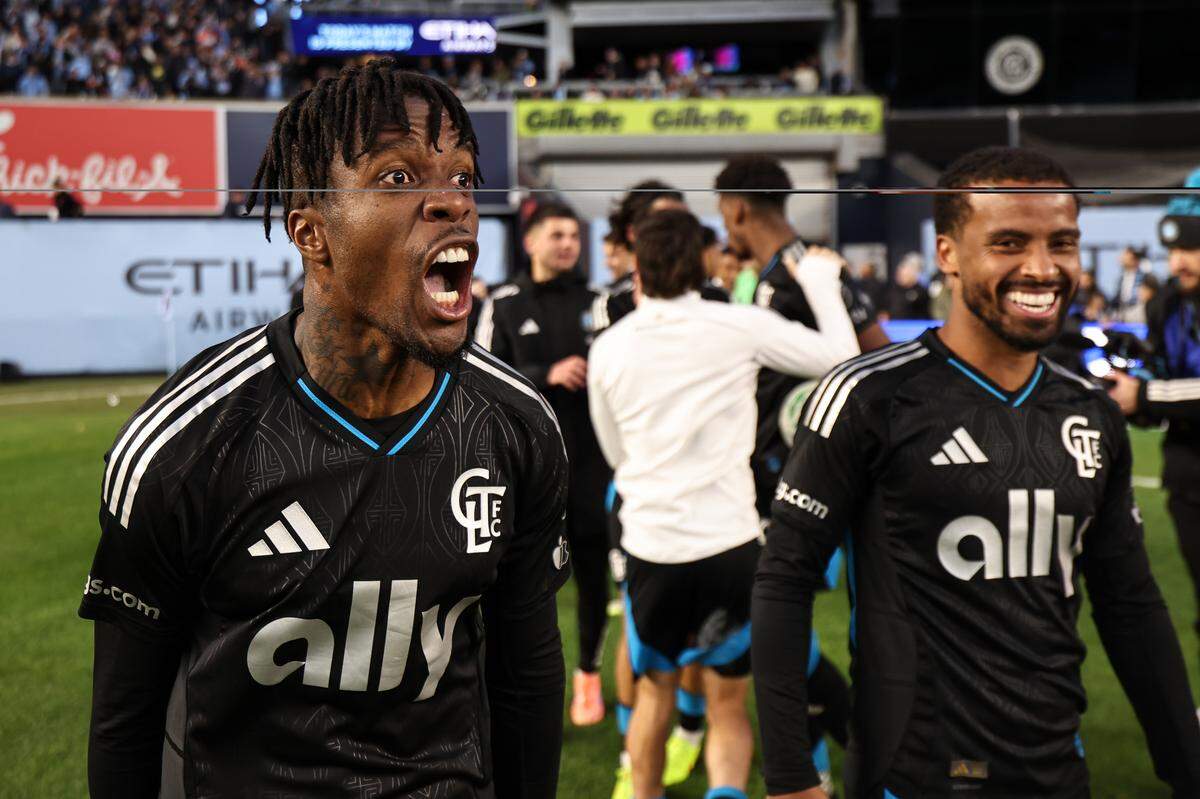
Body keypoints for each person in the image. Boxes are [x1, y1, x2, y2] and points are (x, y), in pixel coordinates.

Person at [80, 62, 571, 799]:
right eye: (399, 179)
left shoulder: (517, 425)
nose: (452, 203)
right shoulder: (187, 443)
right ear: (314, 234)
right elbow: (125, 723)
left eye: (464, 176)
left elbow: (526, 680)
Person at [753, 146, 1200, 799]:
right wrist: (791, 775)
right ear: (948, 254)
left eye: (1062, 242)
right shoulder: (868, 397)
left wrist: (1186, 765)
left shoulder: (1091, 413)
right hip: (911, 776)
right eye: (1010, 242)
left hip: (1057, 775)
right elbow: (784, 579)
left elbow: (1130, 604)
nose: (1043, 268)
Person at [588, 209, 860, 799]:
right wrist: (818, 282)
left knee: (656, 693)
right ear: (705, 262)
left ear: (638, 269)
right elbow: (842, 360)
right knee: (728, 701)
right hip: (731, 547)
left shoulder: (610, 347)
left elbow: (615, 453)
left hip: (653, 550)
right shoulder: (738, 324)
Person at [474, 201, 612, 727]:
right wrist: (546, 372)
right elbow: (480, 378)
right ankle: (509, 677)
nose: (567, 245)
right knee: (513, 579)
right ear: (530, 241)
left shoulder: (598, 303)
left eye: (574, 236)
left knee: (595, 576)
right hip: (523, 472)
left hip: (593, 463)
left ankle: (589, 678)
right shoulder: (505, 303)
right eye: (557, 235)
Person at [714, 153, 889, 519]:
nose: (725, 229)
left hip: (795, 467)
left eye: (723, 215)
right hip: (789, 460)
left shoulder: (802, 273)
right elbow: (876, 346)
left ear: (738, 210)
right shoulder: (804, 263)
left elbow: (873, 353)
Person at [1109, 167, 1200, 692]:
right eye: (1173, 250)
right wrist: (1133, 392)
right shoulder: (1166, 302)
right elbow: (1166, 378)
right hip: (1188, 476)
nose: (1178, 261)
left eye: (1191, 247)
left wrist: (1145, 395)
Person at [883, 253, 931, 320]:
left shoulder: (921, 291)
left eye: (904, 275)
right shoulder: (893, 290)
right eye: (899, 274)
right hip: (894, 326)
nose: (900, 277)